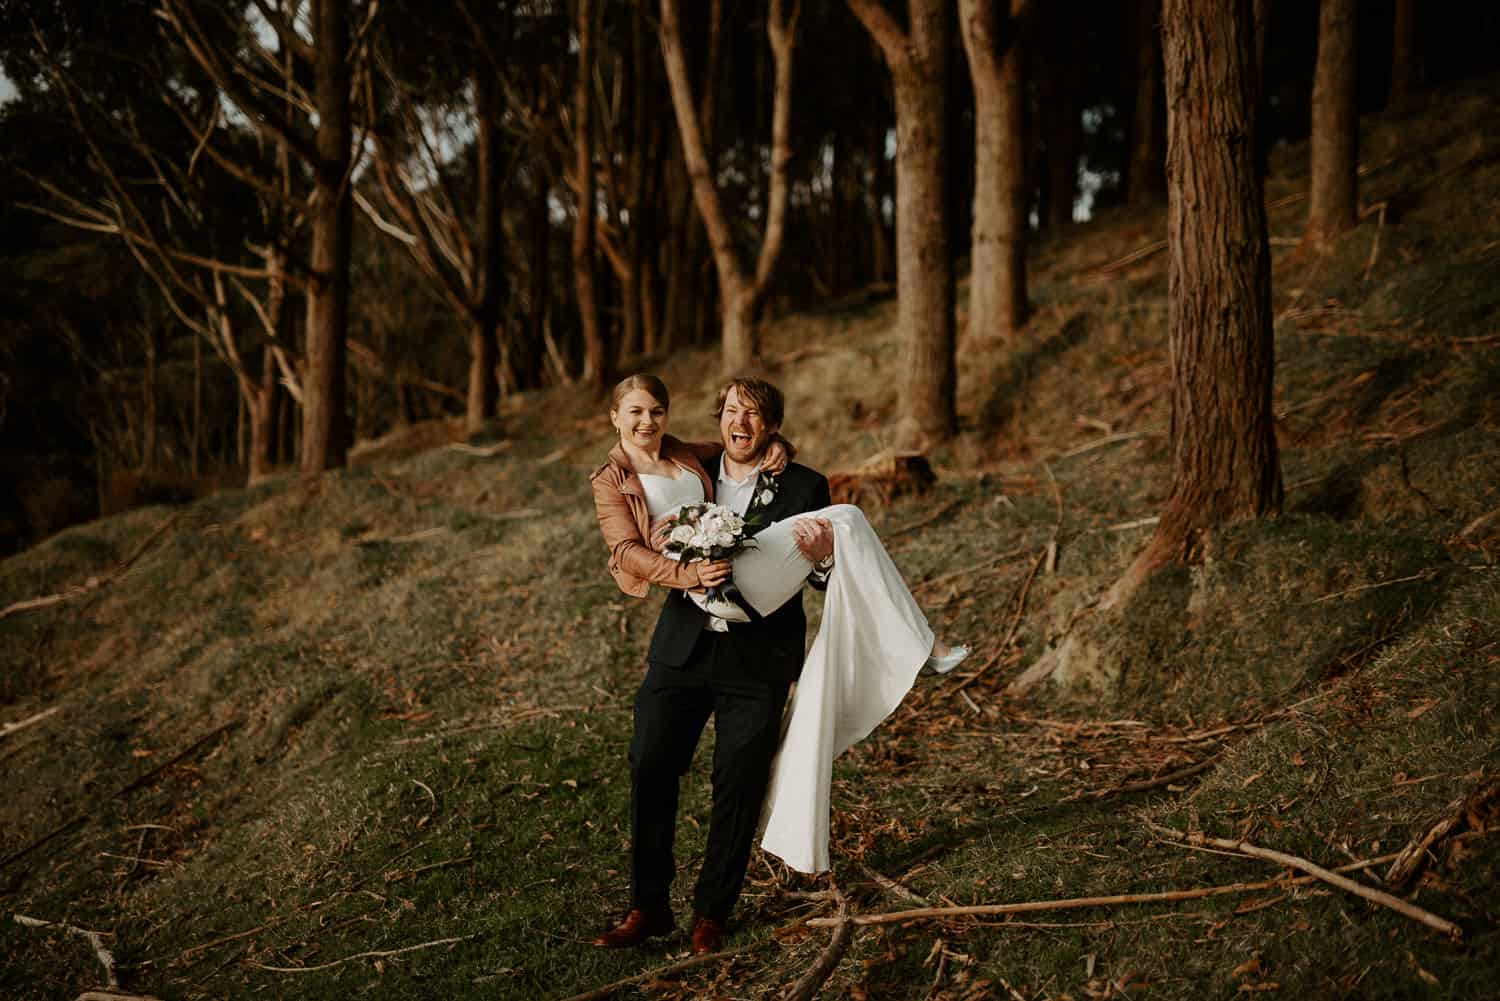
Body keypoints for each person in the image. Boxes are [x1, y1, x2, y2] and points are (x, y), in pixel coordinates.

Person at [589, 374, 968, 955]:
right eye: (733, 412)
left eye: (756, 417)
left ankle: (712, 914)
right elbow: (634, 534)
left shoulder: (806, 483)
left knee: (737, 782)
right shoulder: (695, 469)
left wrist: (820, 561)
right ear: (719, 418)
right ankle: (648, 906)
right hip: (682, 648)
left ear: (773, 428)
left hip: (760, 659)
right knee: (650, 763)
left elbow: (821, 581)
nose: (742, 425)